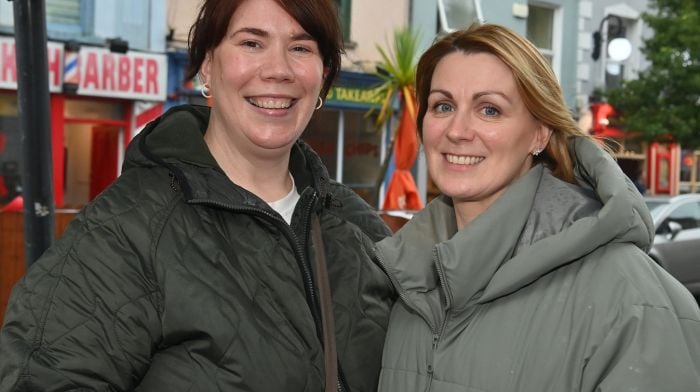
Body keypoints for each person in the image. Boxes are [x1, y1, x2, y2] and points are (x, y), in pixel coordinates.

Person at [0, 0, 394, 390]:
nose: (279, 69)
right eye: (251, 43)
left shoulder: (355, 225)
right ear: (208, 63)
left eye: (301, 47)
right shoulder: (127, 229)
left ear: (322, 74)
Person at [376, 23, 700, 392]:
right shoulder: (407, 281)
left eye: (490, 110)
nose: (457, 130)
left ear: (539, 134)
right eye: (443, 106)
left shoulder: (629, 298)